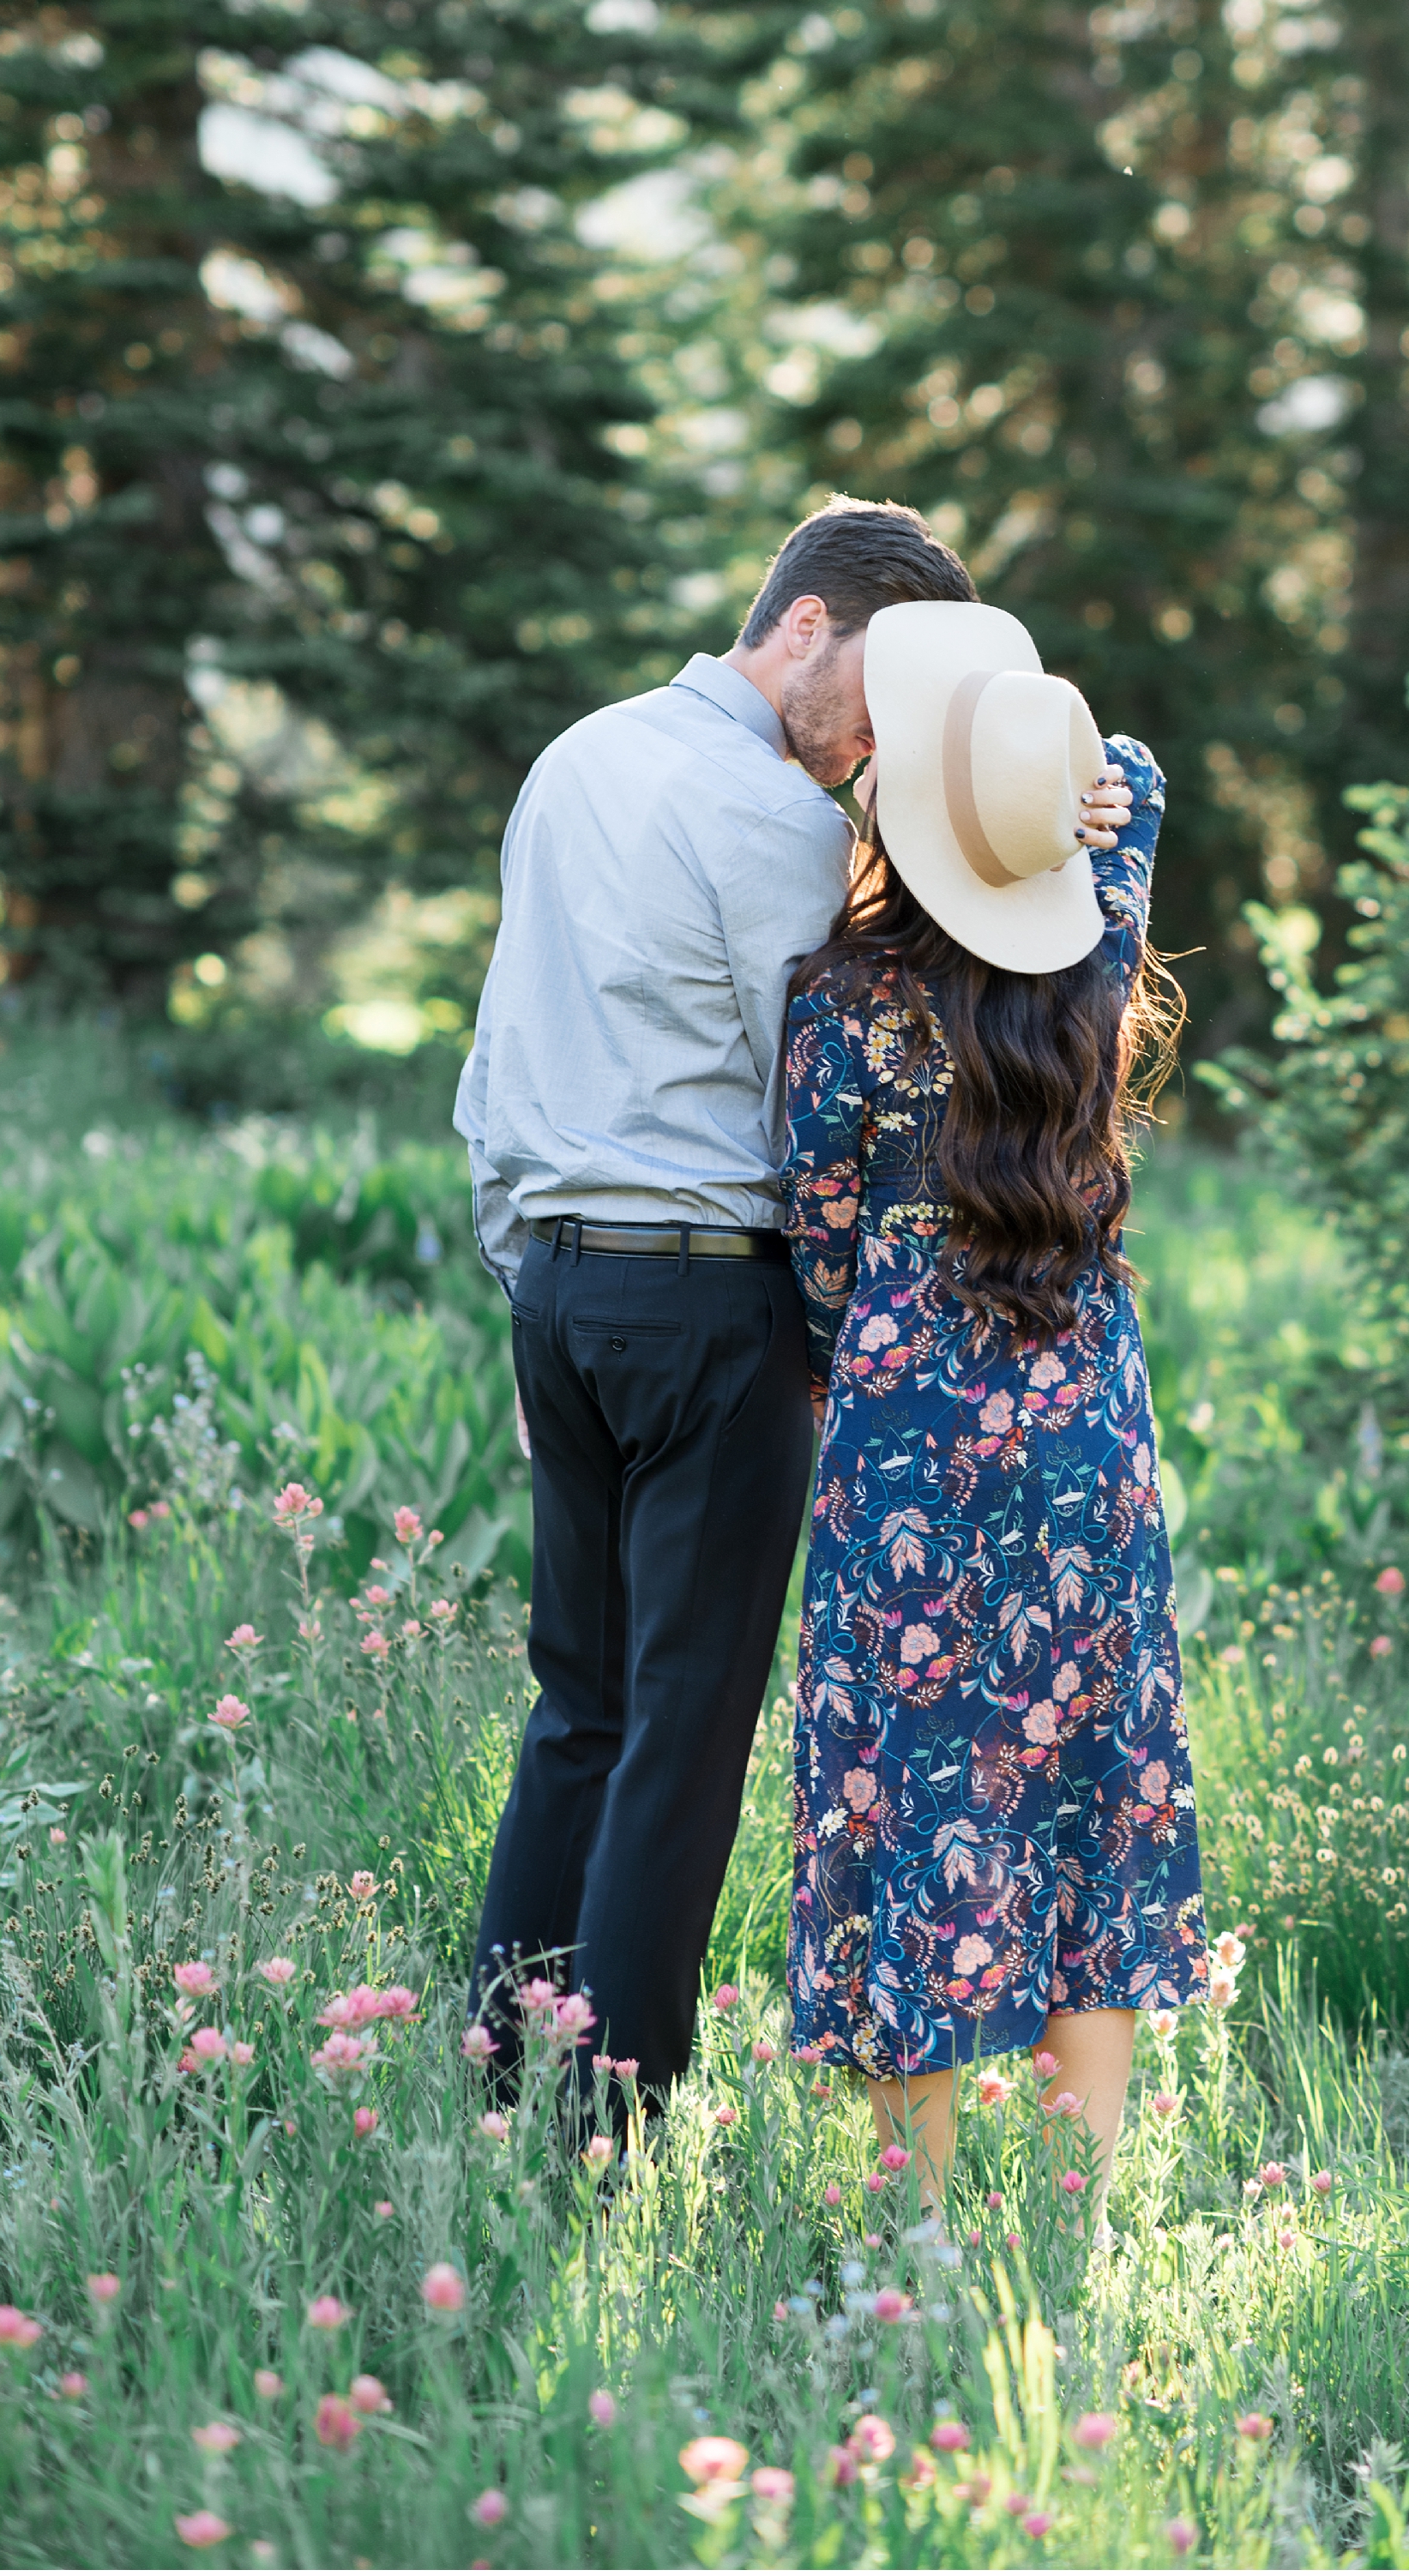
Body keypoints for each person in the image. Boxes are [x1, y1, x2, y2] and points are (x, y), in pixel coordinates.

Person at [453, 499, 1016, 2118]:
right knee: (686, 1729)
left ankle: (499, 2076)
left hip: (557, 1281)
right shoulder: (780, 823)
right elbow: (822, 1105)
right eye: (879, 700)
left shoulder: (574, 756)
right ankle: (606, 2120)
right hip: (712, 1296)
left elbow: (496, 1057)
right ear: (811, 626)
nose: (873, 747)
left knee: (582, 1702)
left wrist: (527, 1265)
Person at [781, 599, 1207, 2218]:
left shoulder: (842, 1008)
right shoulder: (1094, 955)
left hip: (905, 1441)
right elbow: (1136, 783)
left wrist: (870, 1326)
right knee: (1087, 1776)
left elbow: (819, 1248)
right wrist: (1078, 788)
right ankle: (1085, 2202)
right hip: (1083, 1423)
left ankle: (921, 2213)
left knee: (917, 1786)